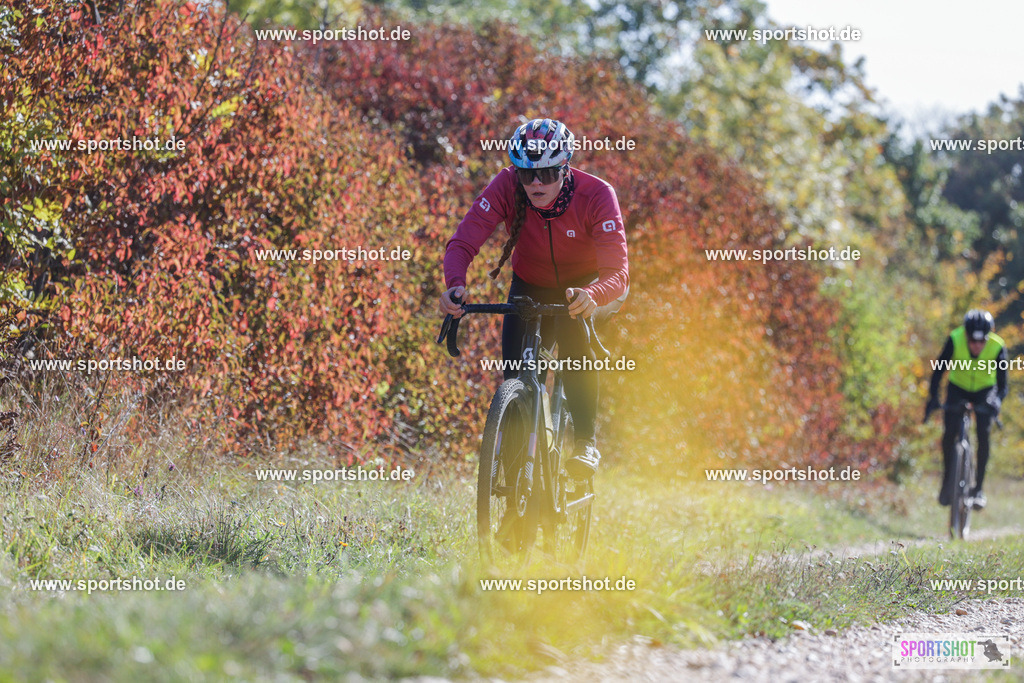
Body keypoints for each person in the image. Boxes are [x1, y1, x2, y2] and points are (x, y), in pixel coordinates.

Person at [439, 118, 629, 479]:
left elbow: (618, 273)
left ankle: (585, 442)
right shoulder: (506, 185)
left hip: (589, 286)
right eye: (527, 175)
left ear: (565, 167)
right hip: (531, 283)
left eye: (547, 173)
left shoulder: (597, 194)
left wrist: (592, 294)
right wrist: (454, 286)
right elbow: (463, 242)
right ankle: (516, 476)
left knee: (574, 343)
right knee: (517, 371)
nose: (536, 183)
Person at [925, 309, 1008, 510]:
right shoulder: (955, 338)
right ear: (966, 335)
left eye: (981, 341)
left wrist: (996, 401)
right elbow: (939, 370)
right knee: (949, 434)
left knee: (983, 434)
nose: (977, 345)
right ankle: (947, 483)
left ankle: (978, 489)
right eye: (972, 340)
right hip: (958, 388)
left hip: (984, 390)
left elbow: (1003, 384)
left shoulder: (998, 346)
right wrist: (934, 397)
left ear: (988, 336)